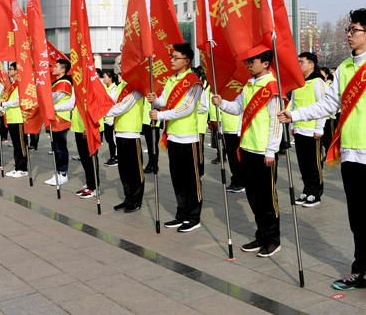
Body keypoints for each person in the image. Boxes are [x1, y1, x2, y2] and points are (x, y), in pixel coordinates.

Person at [278, 8, 366, 304]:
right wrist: (293, 115)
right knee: (357, 219)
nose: (348, 33)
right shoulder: (345, 67)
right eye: (348, 28)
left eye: (353, 29)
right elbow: (328, 104)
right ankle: (361, 270)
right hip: (350, 155)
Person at [214, 50, 283, 257]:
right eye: (248, 62)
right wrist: (221, 103)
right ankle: (261, 235)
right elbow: (237, 108)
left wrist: (271, 150)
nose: (249, 65)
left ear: (265, 63)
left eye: (252, 61)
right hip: (247, 148)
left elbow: (276, 121)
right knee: (253, 197)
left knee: (267, 199)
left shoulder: (272, 87)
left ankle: (273, 240)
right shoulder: (249, 84)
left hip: (264, 152)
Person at [148, 44, 205, 232]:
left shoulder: (193, 82)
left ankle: (193, 217)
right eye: (171, 57)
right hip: (173, 137)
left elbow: (186, 108)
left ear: (186, 61)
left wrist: (161, 115)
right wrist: (155, 100)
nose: (171, 60)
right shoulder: (171, 79)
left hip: (189, 138)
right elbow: (165, 101)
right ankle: (181, 214)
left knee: (191, 180)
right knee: (178, 179)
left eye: (175, 57)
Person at [289, 52, 326, 208]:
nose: (299, 65)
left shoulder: (317, 82)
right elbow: (292, 105)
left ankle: (315, 193)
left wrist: (319, 128)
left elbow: (323, 105)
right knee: (303, 164)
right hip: (299, 130)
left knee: (314, 164)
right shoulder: (298, 83)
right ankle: (306, 190)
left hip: (312, 132)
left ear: (311, 64)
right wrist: (292, 125)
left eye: (301, 62)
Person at [105, 76, 146, 213]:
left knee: (135, 170)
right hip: (120, 131)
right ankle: (128, 198)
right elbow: (112, 102)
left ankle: (136, 200)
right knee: (124, 170)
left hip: (132, 132)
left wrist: (102, 111)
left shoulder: (137, 86)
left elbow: (124, 106)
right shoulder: (120, 86)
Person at [45, 59, 74, 186]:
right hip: (54, 118)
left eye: (56, 67)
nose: (53, 68)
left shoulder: (64, 83)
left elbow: (53, 99)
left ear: (63, 70)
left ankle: (63, 173)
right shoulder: (56, 82)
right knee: (55, 147)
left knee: (60, 148)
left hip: (61, 118)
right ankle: (57, 172)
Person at [0, 64, 28, 178]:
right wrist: (3, 110)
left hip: (19, 118)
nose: (9, 71)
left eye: (11, 69)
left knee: (21, 145)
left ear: (17, 71)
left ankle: (23, 168)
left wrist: (3, 104)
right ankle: (18, 167)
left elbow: (19, 101)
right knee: (16, 145)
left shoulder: (21, 84)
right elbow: (10, 100)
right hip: (11, 118)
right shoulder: (13, 85)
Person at [101, 71, 120, 166]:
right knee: (108, 139)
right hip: (105, 118)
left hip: (111, 118)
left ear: (110, 78)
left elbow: (110, 101)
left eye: (105, 77)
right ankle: (112, 156)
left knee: (113, 139)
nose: (103, 79)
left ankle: (115, 157)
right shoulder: (105, 88)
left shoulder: (114, 89)